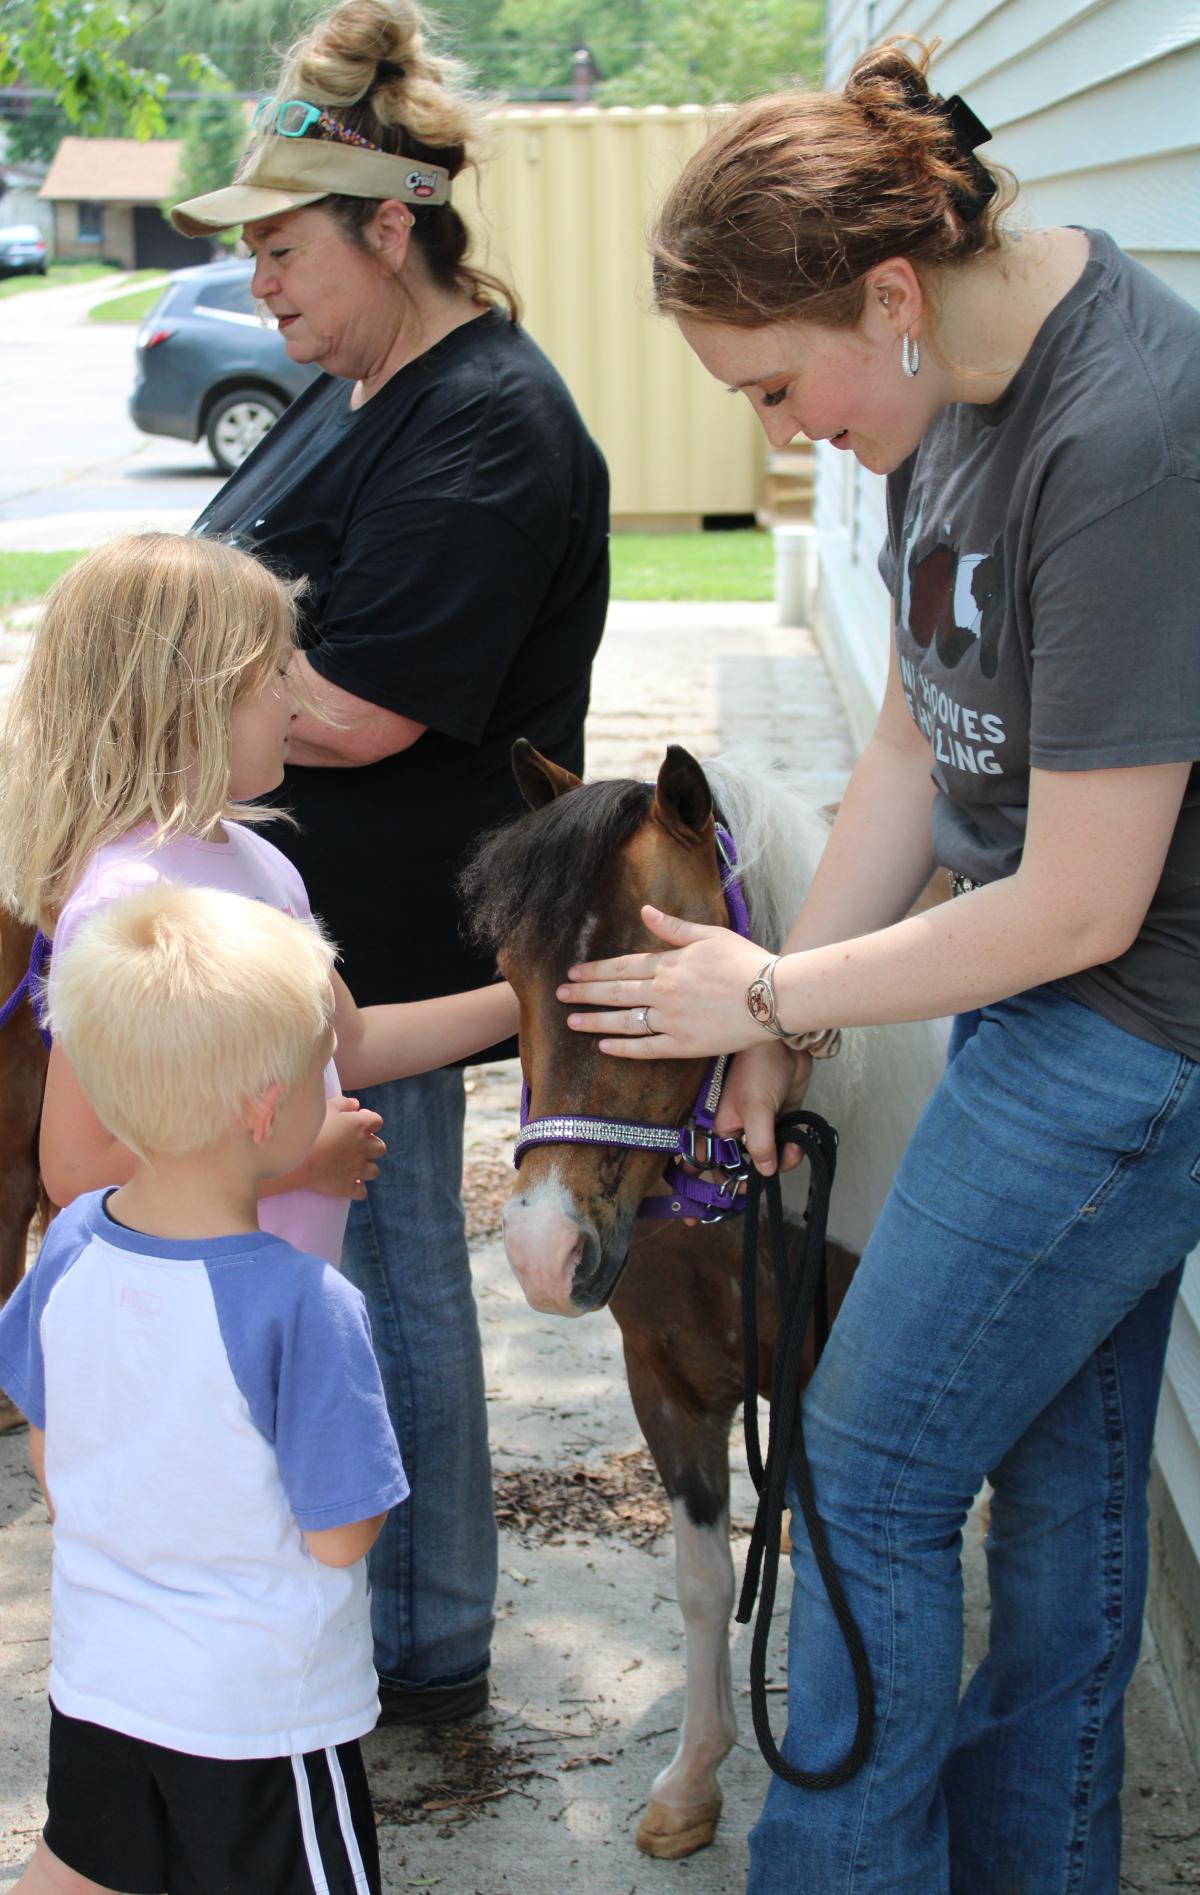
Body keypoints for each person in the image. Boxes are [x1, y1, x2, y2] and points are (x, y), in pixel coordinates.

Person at [554, 41, 1200, 1894]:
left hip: (1127, 1041)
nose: (778, 431)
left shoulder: (1124, 432)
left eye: (777, 382)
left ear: (891, 296)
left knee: (865, 1483)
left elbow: (1083, 902)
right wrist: (787, 1021)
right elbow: (918, 750)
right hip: (1033, 1010)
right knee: (1071, 1517)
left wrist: (759, 997)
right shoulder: (948, 398)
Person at [169, 0, 610, 1724]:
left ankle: (427, 1640)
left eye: (285, 247)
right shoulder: (353, 393)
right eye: (256, 252)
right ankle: (350, 1586)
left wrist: (144, 676)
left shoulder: (487, 419)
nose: (261, 283)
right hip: (290, 925)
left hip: (402, 934)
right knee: (316, 1264)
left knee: (390, 1271)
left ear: (390, 228)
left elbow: (354, 710)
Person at [0, 882, 409, 1895]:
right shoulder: (305, 1305)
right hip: (256, 1708)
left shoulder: (74, 1242)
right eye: (324, 1063)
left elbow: (46, 1442)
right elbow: (339, 1532)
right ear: (268, 1107)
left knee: (83, 1864)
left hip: (99, 1674)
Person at [0, 530, 519, 1275]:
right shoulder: (130, 900)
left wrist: (530, 1003)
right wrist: (296, 1164)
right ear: (191, 698)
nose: (298, 703)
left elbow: (354, 1040)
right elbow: (78, 1169)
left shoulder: (262, 865)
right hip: (192, 1334)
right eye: (277, 674)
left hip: (281, 1300)